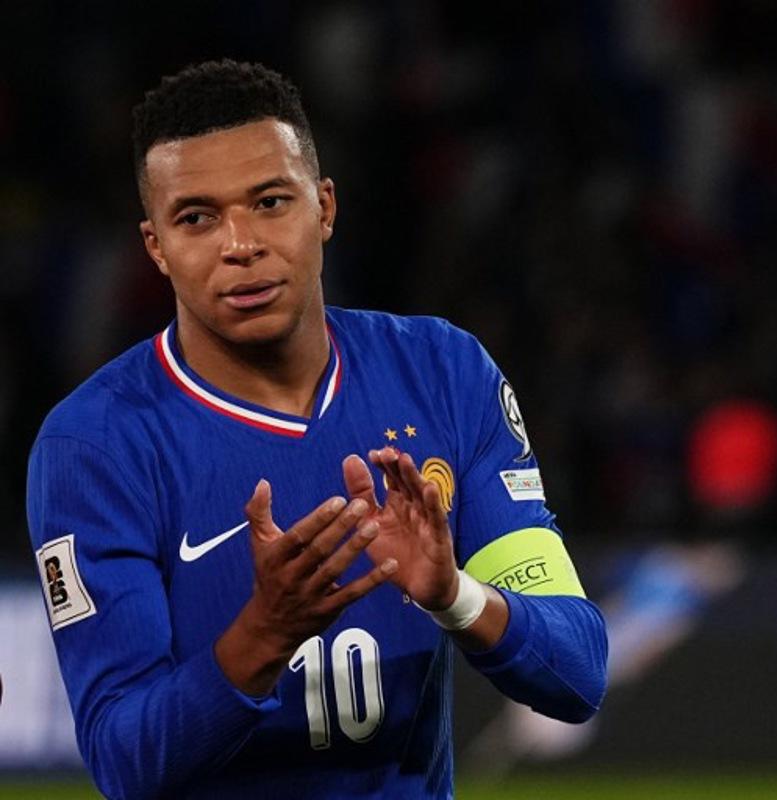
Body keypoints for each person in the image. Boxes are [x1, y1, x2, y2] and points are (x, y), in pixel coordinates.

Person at [26, 59, 607, 799]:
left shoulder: (444, 374)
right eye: (197, 218)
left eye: (271, 202)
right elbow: (123, 761)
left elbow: (579, 672)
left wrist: (453, 595)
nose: (241, 244)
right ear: (156, 247)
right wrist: (266, 633)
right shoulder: (95, 446)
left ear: (324, 208)